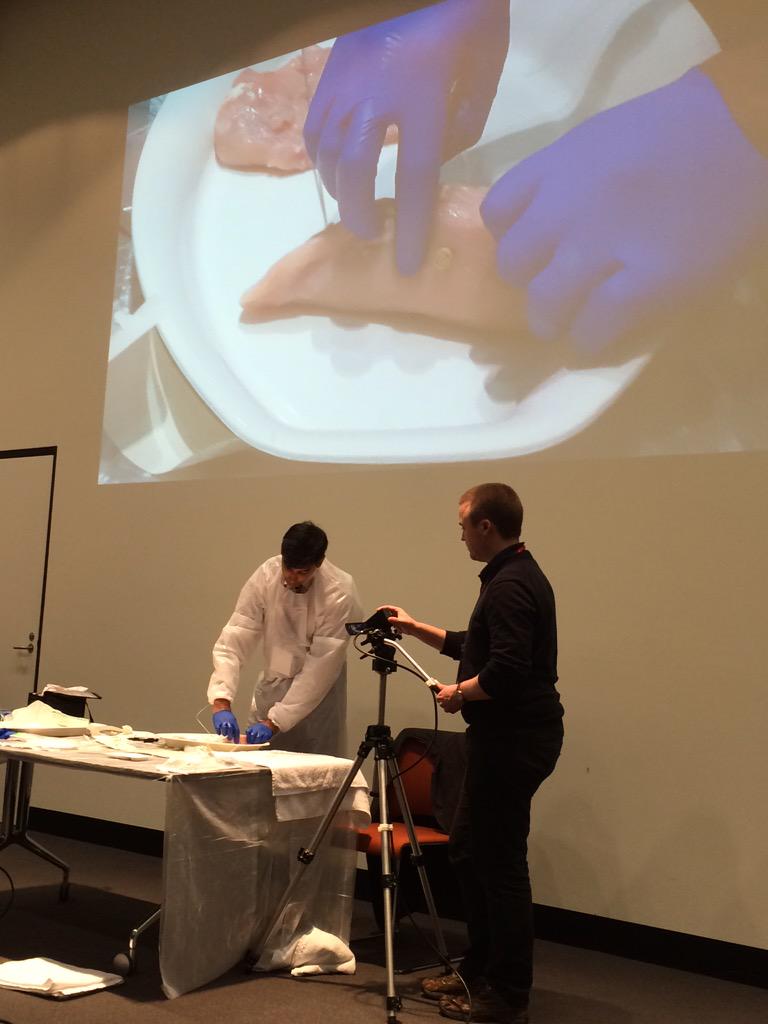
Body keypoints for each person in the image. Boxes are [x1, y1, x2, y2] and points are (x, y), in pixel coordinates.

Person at [383, 483, 563, 1024]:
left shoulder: (510, 586)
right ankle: (479, 968)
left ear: (486, 526)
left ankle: (506, 995)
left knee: (500, 863)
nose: (459, 534)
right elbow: (477, 645)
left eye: (463, 524)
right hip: (502, 738)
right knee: (467, 848)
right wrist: (416, 629)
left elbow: (506, 670)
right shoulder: (511, 577)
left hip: (515, 740)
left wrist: (460, 693)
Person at [207, 521, 361, 756]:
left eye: (302, 572)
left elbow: (320, 668)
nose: (292, 579)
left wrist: (276, 722)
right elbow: (236, 636)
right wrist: (221, 701)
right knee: (256, 775)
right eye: (288, 569)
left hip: (317, 703)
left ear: (318, 564)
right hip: (272, 686)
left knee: (313, 778)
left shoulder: (338, 591)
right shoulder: (266, 575)